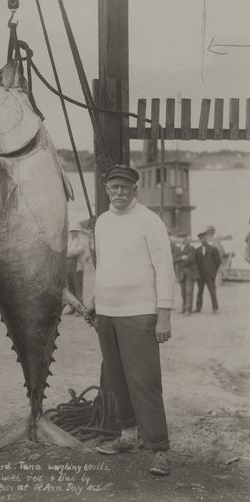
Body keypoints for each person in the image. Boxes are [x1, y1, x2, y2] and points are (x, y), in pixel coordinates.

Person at [89, 164, 174, 476]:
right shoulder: (102, 222)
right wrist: (95, 298)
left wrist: (163, 314)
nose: (119, 192)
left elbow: (165, 268)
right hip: (107, 313)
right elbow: (104, 264)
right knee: (117, 378)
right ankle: (127, 435)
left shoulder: (150, 221)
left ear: (135, 189)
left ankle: (158, 448)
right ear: (106, 189)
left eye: (125, 187)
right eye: (114, 187)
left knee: (145, 382)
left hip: (140, 313)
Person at [195, 231, 221, 314]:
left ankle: (215, 308)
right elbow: (196, 262)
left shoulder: (213, 249)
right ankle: (198, 308)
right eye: (201, 238)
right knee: (199, 292)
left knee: (212, 292)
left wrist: (213, 271)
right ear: (199, 240)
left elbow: (218, 261)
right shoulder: (198, 250)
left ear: (207, 238)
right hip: (200, 275)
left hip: (210, 275)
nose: (203, 240)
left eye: (204, 238)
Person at [174, 232, 199, 315]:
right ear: (178, 239)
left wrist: (179, 262)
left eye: (184, 238)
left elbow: (190, 260)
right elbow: (174, 260)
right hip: (181, 273)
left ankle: (188, 309)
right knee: (183, 292)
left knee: (189, 292)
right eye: (180, 238)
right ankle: (184, 308)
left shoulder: (191, 248)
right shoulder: (177, 249)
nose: (182, 239)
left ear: (187, 239)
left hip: (190, 273)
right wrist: (182, 257)